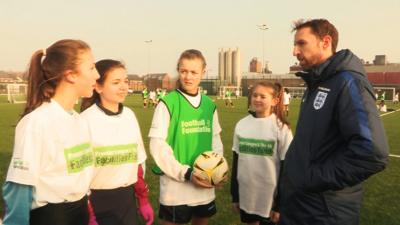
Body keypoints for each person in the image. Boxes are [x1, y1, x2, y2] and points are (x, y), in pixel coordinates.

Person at [279, 19, 389, 225]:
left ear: (325, 42)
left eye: (301, 43)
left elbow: (372, 153)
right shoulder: (316, 82)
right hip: (302, 205)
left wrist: (312, 178)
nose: (294, 51)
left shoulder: (348, 82)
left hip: (324, 212)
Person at [2, 39, 100, 225]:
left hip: (78, 213)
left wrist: (88, 211)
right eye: (91, 68)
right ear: (71, 75)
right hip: (53, 217)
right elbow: (20, 188)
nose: (97, 75)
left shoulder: (78, 119)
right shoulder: (37, 123)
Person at [148, 49, 224, 225]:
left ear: (203, 73)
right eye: (183, 71)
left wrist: (217, 170)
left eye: (193, 72)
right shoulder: (168, 103)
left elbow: (215, 140)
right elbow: (157, 145)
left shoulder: (209, 105)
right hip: (176, 189)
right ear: (178, 70)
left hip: (204, 185)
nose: (188, 77)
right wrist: (186, 173)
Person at [80, 59, 154, 225]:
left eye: (125, 81)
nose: (123, 87)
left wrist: (142, 200)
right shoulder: (85, 120)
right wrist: (89, 213)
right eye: (116, 82)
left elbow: (138, 163)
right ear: (98, 87)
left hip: (126, 201)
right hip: (95, 202)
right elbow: (78, 174)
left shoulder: (129, 116)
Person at [231, 82, 293, 225]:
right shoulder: (241, 125)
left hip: (269, 198)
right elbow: (236, 161)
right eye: (255, 95)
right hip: (247, 194)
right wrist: (235, 195)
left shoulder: (281, 128)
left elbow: (287, 168)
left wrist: (280, 204)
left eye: (262, 96)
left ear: (274, 101)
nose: (257, 99)